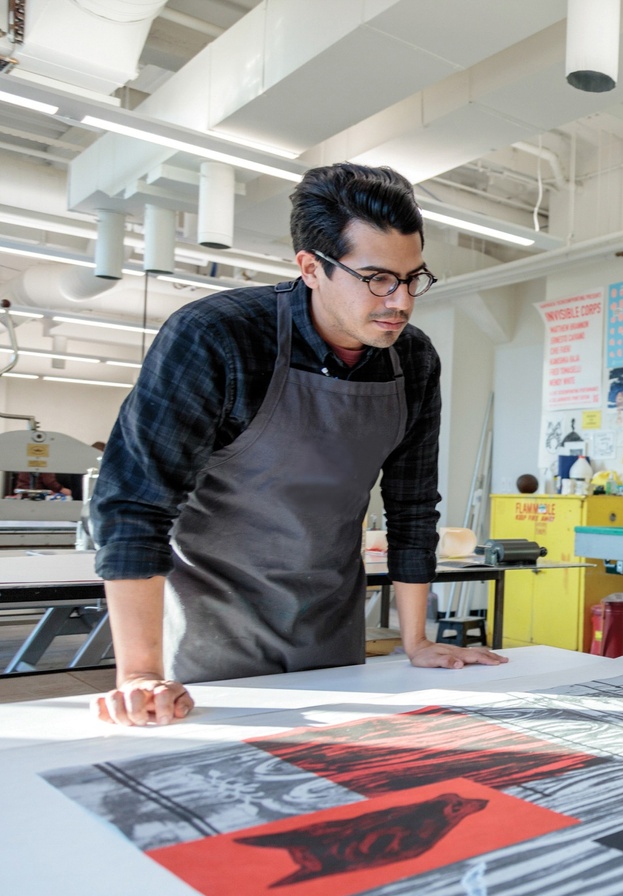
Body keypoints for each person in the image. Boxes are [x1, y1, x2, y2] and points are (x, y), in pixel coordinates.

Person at [91, 162, 506, 727]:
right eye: (378, 278)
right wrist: (139, 673)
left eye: (413, 278)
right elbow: (136, 502)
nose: (401, 301)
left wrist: (418, 640)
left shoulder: (414, 360)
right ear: (311, 267)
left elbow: (412, 505)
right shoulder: (218, 337)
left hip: (331, 628)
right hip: (211, 630)